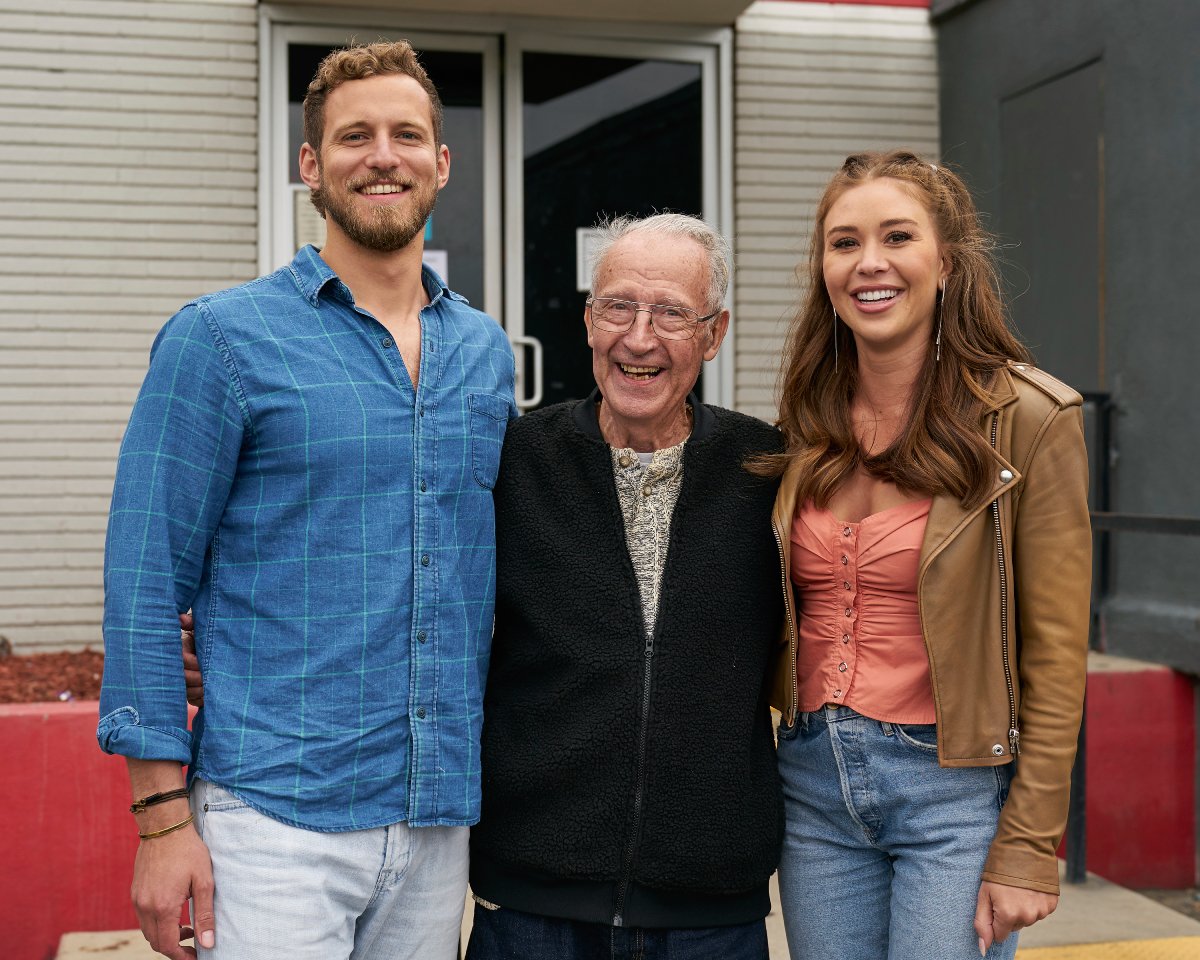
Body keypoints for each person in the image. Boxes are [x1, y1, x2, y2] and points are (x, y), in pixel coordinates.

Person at [98, 41, 516, 960]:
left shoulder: (485, 355)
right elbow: (141, 579)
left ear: (441, 164)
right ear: (310, 165)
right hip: (273, 821)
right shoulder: (220, 340)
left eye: (407, 135)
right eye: (354, 135)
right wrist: (163, 824)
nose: (383, 156)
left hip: (436, 817)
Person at [762, 150, 1091, 959]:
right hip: (812, 784)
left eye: (896, 237)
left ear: (945, 261)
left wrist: (1029, 845)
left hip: (954, 793)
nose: (868, 263)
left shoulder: (1031, 418)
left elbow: (1055, 656)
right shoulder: (806, 421)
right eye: (844, 244)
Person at [465, 213, 786, 959]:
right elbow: (413, 594)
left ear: (715, 334)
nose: (638, 338)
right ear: (587, 320)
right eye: (618, 307)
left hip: (711, 911)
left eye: (672, 313)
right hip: (531, 908)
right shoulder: (516, 462)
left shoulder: (766, 468)